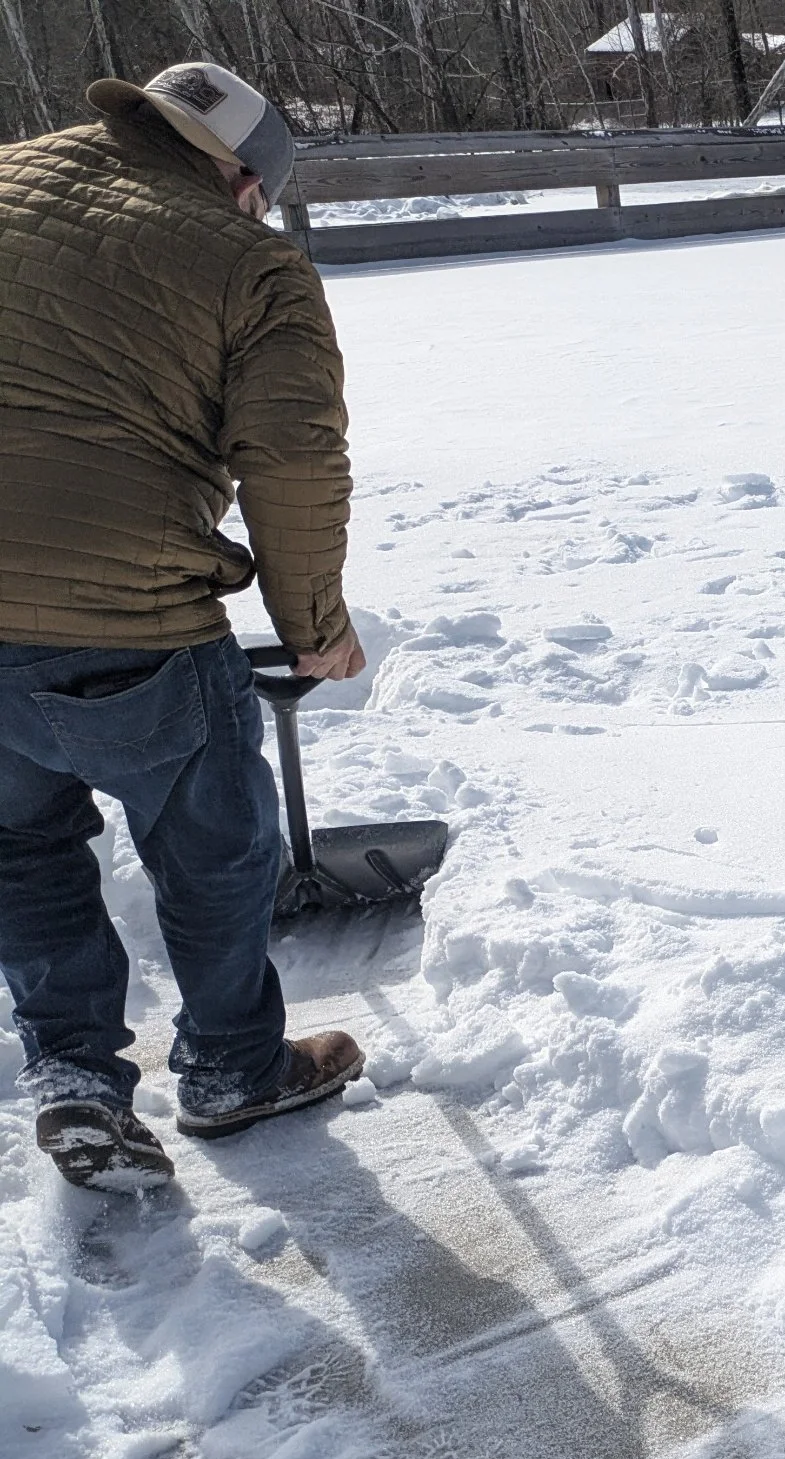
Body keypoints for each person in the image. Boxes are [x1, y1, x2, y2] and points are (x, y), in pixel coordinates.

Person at [0, 63, 367, 1193]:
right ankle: (232, 1068)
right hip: (129, 620)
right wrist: (314, 626)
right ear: (243, 178)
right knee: (213, 854)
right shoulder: (251, 261)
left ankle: (73, 1075)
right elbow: (294, 457)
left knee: (23, 850)